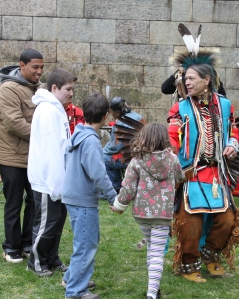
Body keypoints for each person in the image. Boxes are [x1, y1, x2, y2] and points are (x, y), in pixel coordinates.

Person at [167, 47, 239, 282]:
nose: (186, 82)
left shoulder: (225, 105)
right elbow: (173, 133)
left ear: (207, 80)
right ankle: (188, 264)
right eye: (185, 78)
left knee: (227, 220)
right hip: (190, 173)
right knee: (189, 221)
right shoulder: (180, 108)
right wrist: (170, 149)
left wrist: (233, 143)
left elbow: (233, 129)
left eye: (191, 78)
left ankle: (211, 254)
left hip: (216, 173)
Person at [111, 123, 185, 299]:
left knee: (152, 249)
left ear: (143, 139)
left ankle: (154, 289)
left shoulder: (137, 161)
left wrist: (119, 206)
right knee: (157, 253)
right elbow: (180, 177)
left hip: (142, 214)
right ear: (165, 139)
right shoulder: (173, 159)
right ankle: (152, 294)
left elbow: (128, 187)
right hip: (162, 215)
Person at [62, 93, 117, 299]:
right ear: (105, 116)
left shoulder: (78, 134)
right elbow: (99, 174)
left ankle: (71, 278)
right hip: (83, 199)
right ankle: (75, 290)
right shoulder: (92, 141)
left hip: (73, 195)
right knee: (86, 244)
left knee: (83, 240)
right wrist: (113, 197)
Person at [0, 48, 44, 263]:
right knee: (13, 203)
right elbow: (15, 124)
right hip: (12, 158)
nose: (39, 71)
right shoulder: (8, 89)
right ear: (21, 65)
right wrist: (44, 136)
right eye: (35, 67)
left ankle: (26, 243)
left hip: (32, 157)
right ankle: (11, 247)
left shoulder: (39, 89)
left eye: (42, 67)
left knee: (34, 202)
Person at [26, 69, 76, 277]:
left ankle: (52, 259)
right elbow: (50, 151)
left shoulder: (57, 109)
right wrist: (56, 185)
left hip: (57, 180)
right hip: (48, 181)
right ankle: (36, 261)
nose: (71, 94)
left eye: (73, 89)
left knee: (57, 222)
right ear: (54, 88)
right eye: (68, 89)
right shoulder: (47, 111)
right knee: (46, 223)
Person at [103, 97, 145, 193]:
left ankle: (115, 186)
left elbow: (114, 147)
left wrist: (103, 150)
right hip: (142, 155)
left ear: (117, 113)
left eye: (111, 111)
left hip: (130, 158)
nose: (111, 114)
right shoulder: (139, 117)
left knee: (104, 158)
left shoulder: (121, 123)